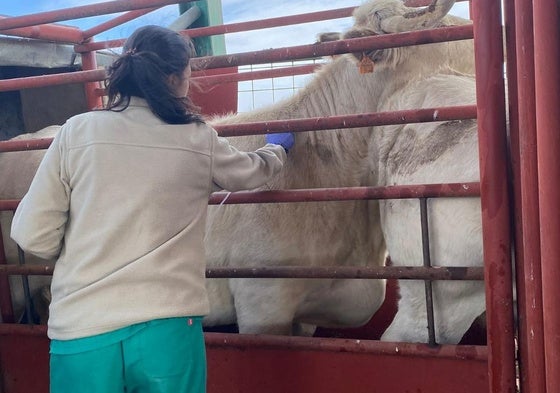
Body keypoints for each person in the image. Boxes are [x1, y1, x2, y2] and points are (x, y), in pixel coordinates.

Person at [10, 25, 294, 393]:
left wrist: (86, 249)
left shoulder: (76, 132)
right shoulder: (197, 137)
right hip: (168, 331)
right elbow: (250, 172)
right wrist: (278, 149)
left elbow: (32, 234)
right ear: (176, 78)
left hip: (82, 331)